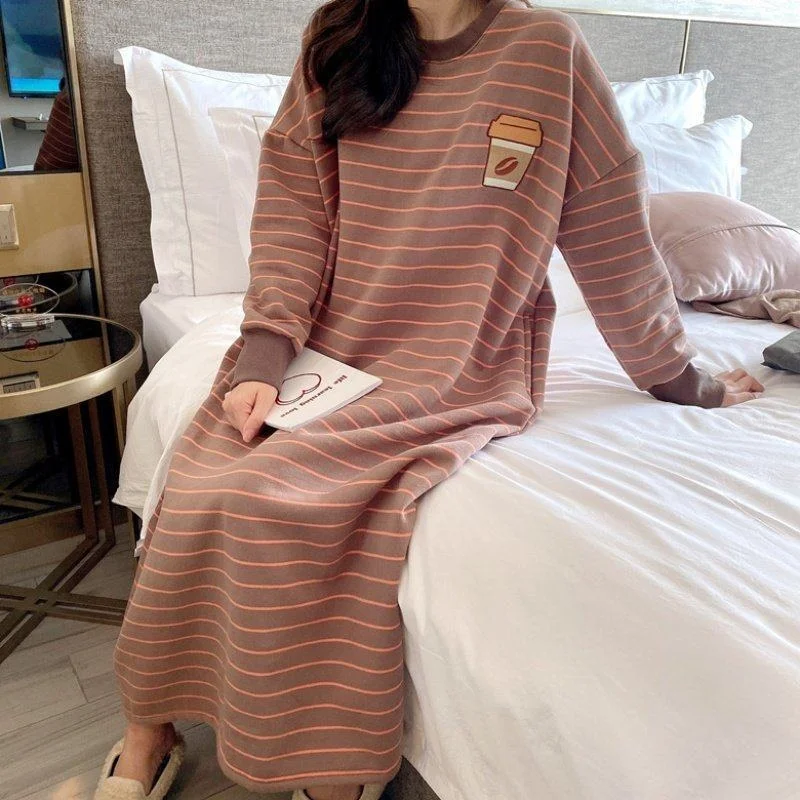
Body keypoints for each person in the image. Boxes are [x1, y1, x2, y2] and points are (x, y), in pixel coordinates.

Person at [96, 2, 764, 799]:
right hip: (327, 341)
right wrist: (265, 351)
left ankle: (324, 761)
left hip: (462, 356)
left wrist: (678, 377)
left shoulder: (545, 49)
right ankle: (149, 725)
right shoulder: (339, 35)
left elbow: (610, 231)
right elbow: (294, 212)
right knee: (209, 479)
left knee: (298, 500)